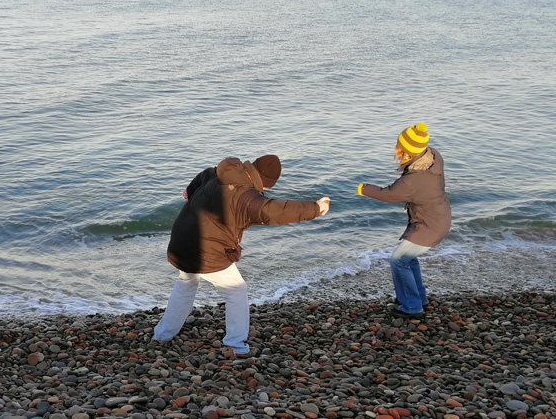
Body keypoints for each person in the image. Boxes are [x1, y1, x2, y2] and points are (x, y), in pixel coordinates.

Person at [153, 155, 330, 357]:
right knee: (236, 290)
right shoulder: (247, 198)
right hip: (206, 250)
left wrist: (190, 190)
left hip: (182, 238)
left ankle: (162, 335)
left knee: (186, 283)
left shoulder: (224, 172)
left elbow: (205, 174)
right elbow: (276, 211)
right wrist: (316, 208)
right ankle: (236, 344)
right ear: (266, 181)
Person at [357, 123, 451, 319]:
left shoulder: (413, 180)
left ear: (408, 152)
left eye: (399, 147)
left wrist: (363, 188)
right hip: (437, 218)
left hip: (429, 227)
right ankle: (419, 299)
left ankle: (412, 307)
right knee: (408, 259)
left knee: (398, 260)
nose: (396, 150)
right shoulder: (433, 156)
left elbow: (390, 194)